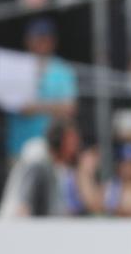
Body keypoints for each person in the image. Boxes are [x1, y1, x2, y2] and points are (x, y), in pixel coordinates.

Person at [6, 18, 78, 160]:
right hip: (20, 148)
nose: (42, 43)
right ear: (27, 40)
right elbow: (14, 104)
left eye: (46, 39)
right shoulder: (16, 68)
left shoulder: (63, 70)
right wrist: (53, 107)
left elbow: (70, 108)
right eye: (37, 38)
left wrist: (34, 107)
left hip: (54, 150)